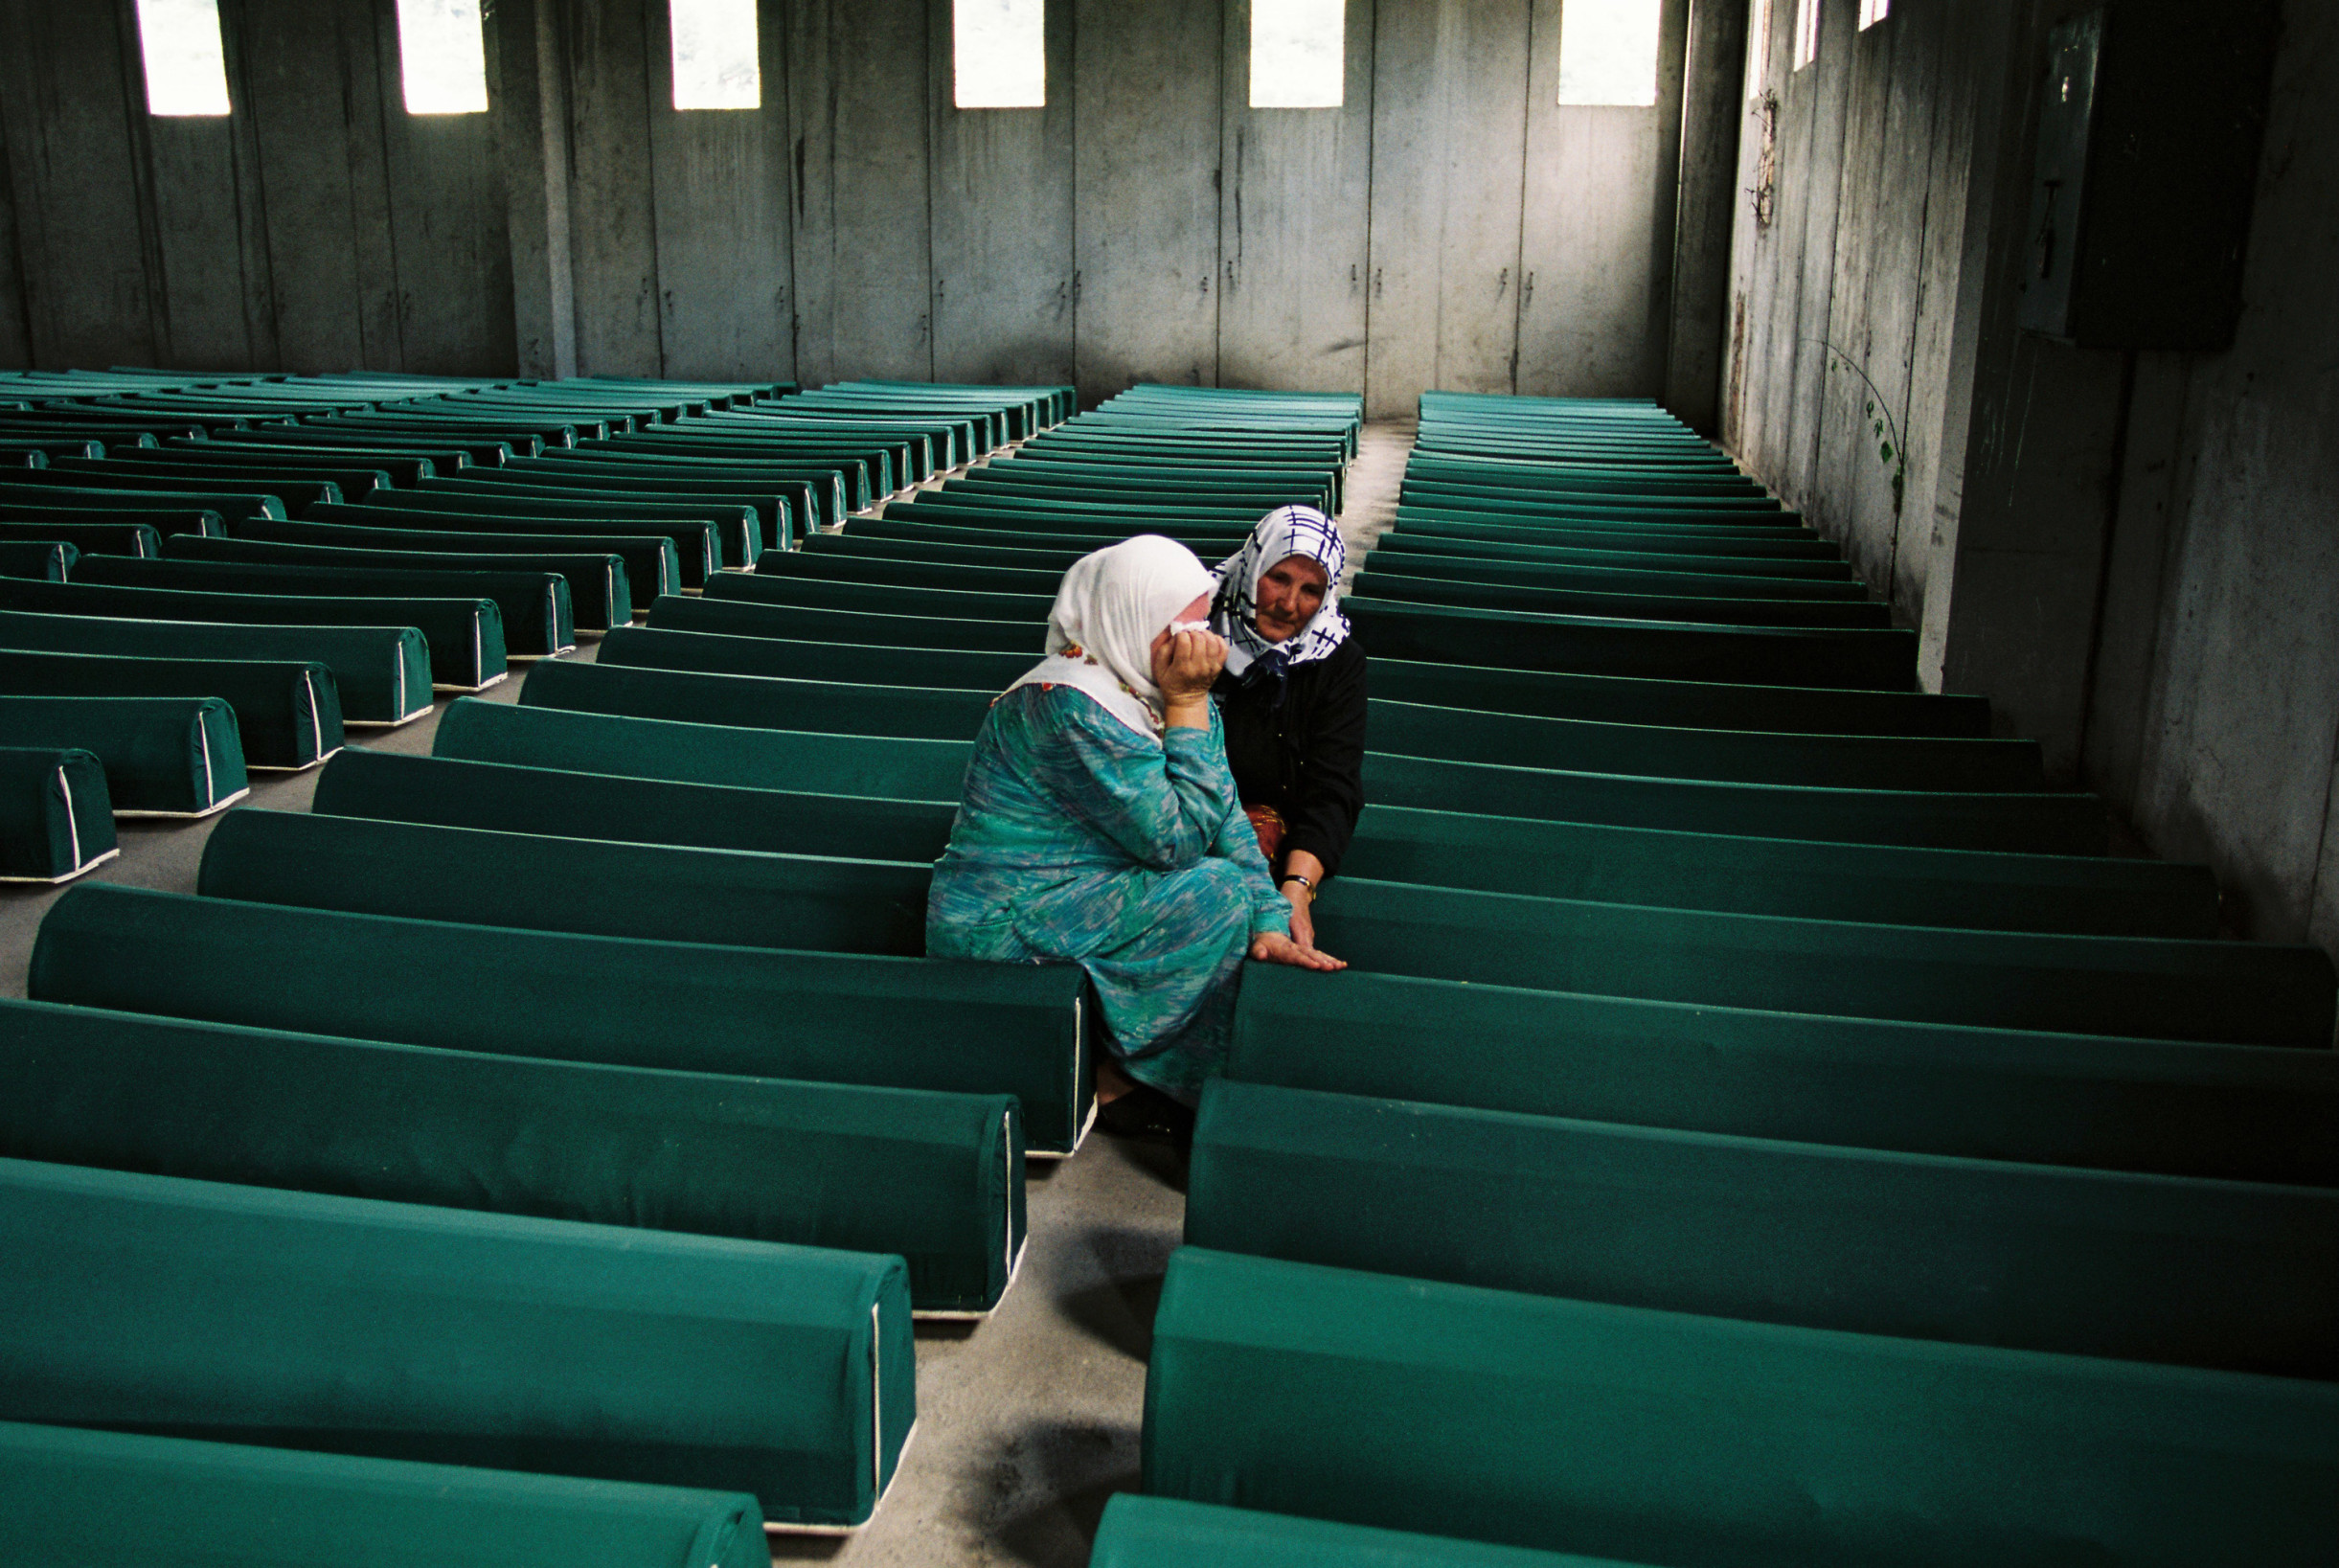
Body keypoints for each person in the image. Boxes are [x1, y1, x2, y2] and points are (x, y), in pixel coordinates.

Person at [926, 534, 1345, 1140]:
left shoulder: (1148, 689)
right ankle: (1135, 1079)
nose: (1205, 646)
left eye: (1206, 624)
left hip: (1076, 896)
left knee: (1234, 890)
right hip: (1002, 921)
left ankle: (1146, 1070)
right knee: (1214, 893)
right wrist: (1190, 701)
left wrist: (1272, 922)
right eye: (1185, 625)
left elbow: (1225, 816)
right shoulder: (1068, 704)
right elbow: (1176, 842)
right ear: (1133, 613)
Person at [1208, 505, 1368, 952]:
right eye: (1278, 578)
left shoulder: (1337, 660)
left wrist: (1297, 889)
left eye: (1311, 590)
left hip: (1278, 847)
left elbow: (1333, 787)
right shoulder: (1195, 626)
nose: (1289, 603)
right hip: (1179, 825)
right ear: (1253, 565)